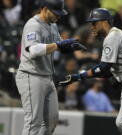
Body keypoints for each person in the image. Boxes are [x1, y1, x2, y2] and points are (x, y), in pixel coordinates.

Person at [59, 8, 122, 135]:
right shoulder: (114, 35)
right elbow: (107, 71)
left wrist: (79, 76)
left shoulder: (113, 36)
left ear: (105, 22)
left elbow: (104, 68)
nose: (91, 27)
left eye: (94, 23)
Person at [15, 0, 86, 135]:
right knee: (33, 122)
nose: (59, 16)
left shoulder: (53, 25)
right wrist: (59, 45)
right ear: (45, 8)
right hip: (31, 75)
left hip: (47, 76)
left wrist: (68, 47)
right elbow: (34, 50)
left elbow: (57, 45)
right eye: (56, 13)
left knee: (51, 122)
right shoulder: (33, 25)